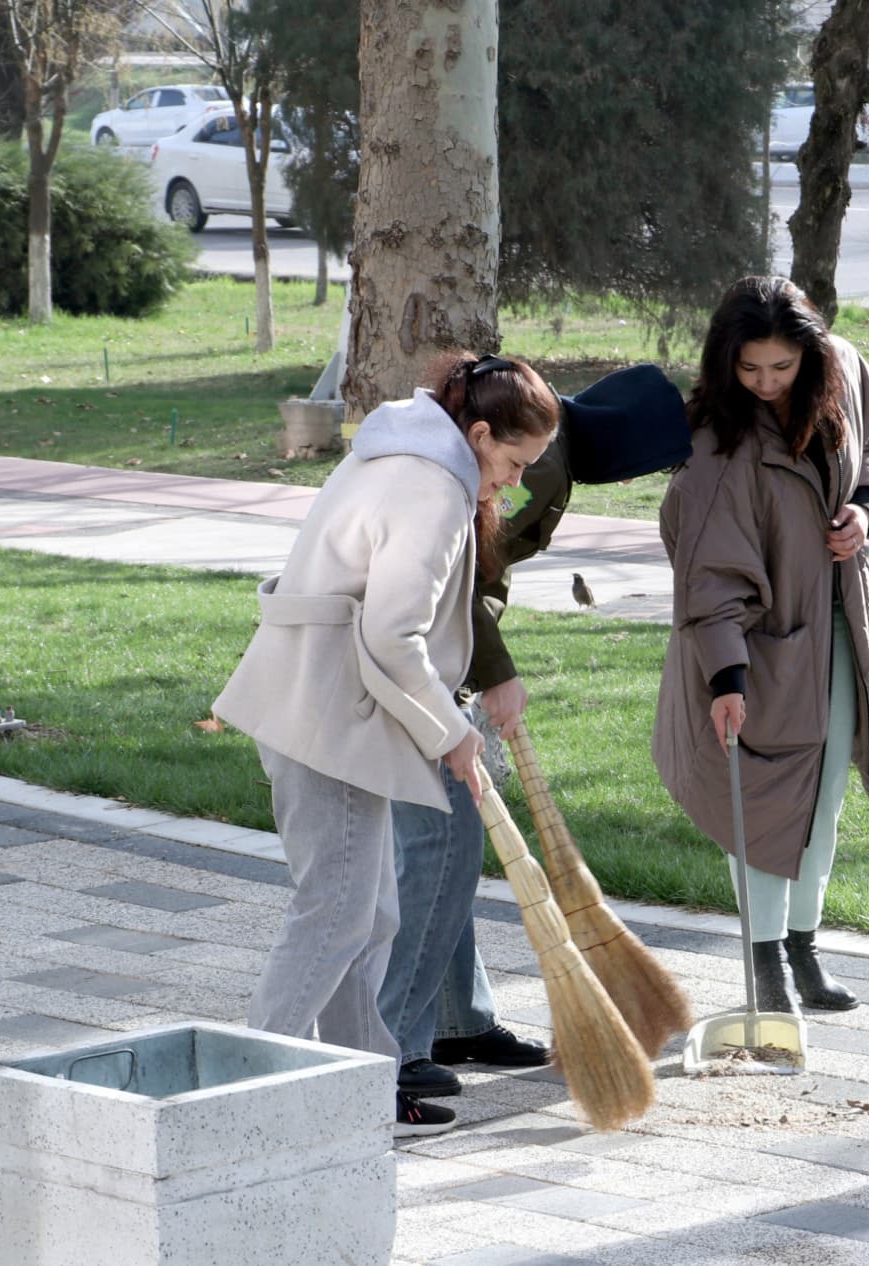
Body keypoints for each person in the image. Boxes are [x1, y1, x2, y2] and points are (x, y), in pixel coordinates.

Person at [213, 353, 560, 1136]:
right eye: (510, 463)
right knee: (336, 915)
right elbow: (393, 637)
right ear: (477, 433)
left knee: (365, 913)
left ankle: (363, 1084)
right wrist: (452, 732)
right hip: (330, 718)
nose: (510, 484)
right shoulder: (435, 490)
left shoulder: (400, 449)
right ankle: (240, 1098)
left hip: (323, 706)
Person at [381, 364, 693, 1103]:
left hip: (432, 652)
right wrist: (495, 674)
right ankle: (389, 1044)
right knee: (442, 842)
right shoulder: (542, 461)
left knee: (450, 838)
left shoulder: (538, 444)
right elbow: (468, 568)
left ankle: (455, 1020)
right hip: (416, 653)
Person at [653, 275, 869, 1014]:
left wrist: (867, 507)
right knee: (760, 805)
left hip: (839, 631)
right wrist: (727, 678)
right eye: (748, 367)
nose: (763, 383)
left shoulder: (845, 372)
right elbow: (709, 576)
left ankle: (803, 948)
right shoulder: (715, 444)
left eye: (781, 368)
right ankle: (764, 966)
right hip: (752, 652)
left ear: (811, 357)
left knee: (821, 801)